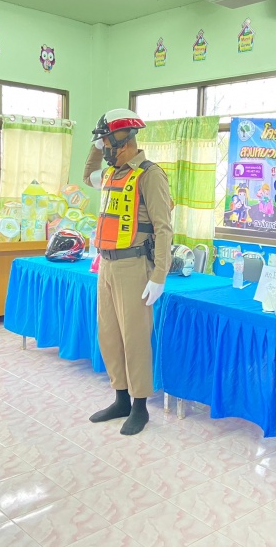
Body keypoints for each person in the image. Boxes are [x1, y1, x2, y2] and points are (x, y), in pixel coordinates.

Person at [83, 108, 173, 436]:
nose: (105, 147)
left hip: (135, 265)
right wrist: (95, 146)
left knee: (135, 338)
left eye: (107, 140)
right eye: (103, 142)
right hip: (107, 265)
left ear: (125, 139)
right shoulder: (111, 173)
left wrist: (159, 275)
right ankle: (120, 398)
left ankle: (139, 406)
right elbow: (87, 176)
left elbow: (163, 228)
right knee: (109, 335)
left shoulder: (149, 174)